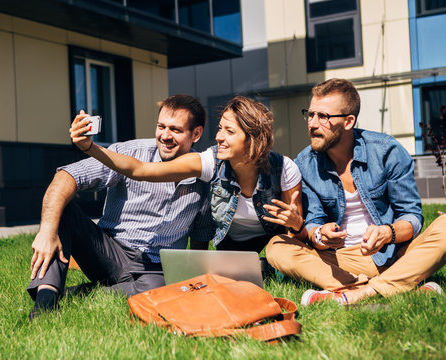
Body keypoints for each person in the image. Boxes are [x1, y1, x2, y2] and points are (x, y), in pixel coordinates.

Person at [27, 94, 214, 319]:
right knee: (63, 209)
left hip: (156, 269)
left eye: (175, 129)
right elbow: (68, 176)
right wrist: (47, 232)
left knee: (161, 292)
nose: (165, 136)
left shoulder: (204, 177)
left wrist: (194, 281)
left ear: (196, 134)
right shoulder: (130, 152)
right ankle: (45, 303)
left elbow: (200, 238)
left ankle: (79, 294)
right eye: (161, 127)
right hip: (109, 253)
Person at [265, 78, 446, 305]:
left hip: (394, 252)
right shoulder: (305, 163)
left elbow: (412, 217)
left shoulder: (386, 151)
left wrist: (387, 233)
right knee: (277, 247)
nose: (312, 123)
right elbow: (313, 225)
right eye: (310, 114)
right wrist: (321, 235)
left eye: (323, 116)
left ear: (348, 121)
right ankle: (394, 286)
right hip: (342, 259)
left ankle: (358, 293)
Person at [74, 95, 307, 254]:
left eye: (229, 131)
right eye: (219, 129)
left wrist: (297, 226)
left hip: (272, 242)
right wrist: (90, 147)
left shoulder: (284, 168)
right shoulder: (209, 161)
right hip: (231, 247)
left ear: (253, 138)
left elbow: (298, 236)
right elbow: (141, 169)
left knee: (280, 254)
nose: (219, 137)